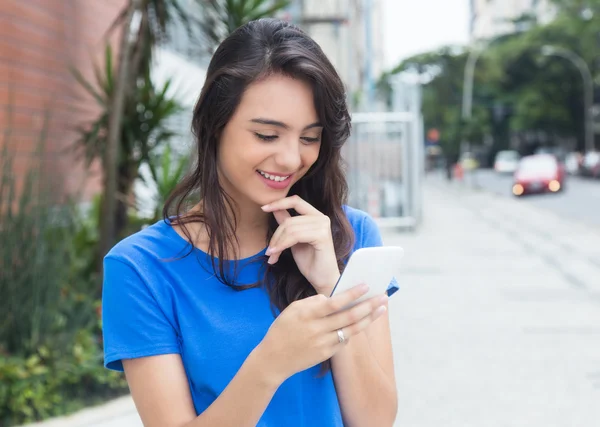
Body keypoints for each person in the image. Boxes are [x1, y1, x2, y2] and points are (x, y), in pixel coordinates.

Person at [102, 18, 397, 427]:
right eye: (267, 135)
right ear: (214, 125)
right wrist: (270, 363)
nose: (292, 159)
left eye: (309, 138)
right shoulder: (141, 268)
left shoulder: (351, 237)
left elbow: (376, 420)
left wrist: (331, 282)